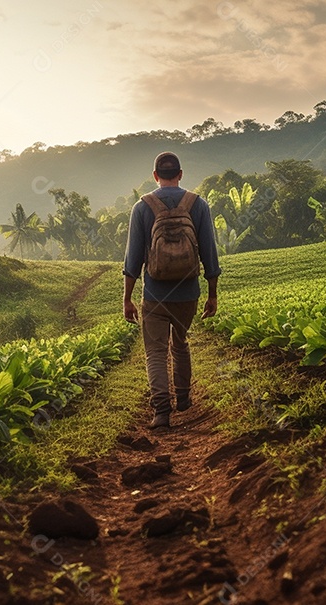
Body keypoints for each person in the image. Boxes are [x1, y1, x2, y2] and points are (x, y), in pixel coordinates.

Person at [123, 151, 222, 429]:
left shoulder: (142, 207)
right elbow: (210, 255)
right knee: (180, 343)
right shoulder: (197, 204)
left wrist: (127, 298)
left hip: (154, 294)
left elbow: (132, 261)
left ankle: (162, 412)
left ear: (155, 176)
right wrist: (212, 293)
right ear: (180, 174)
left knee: (155, 352)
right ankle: (184, 397)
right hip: (188, 293)